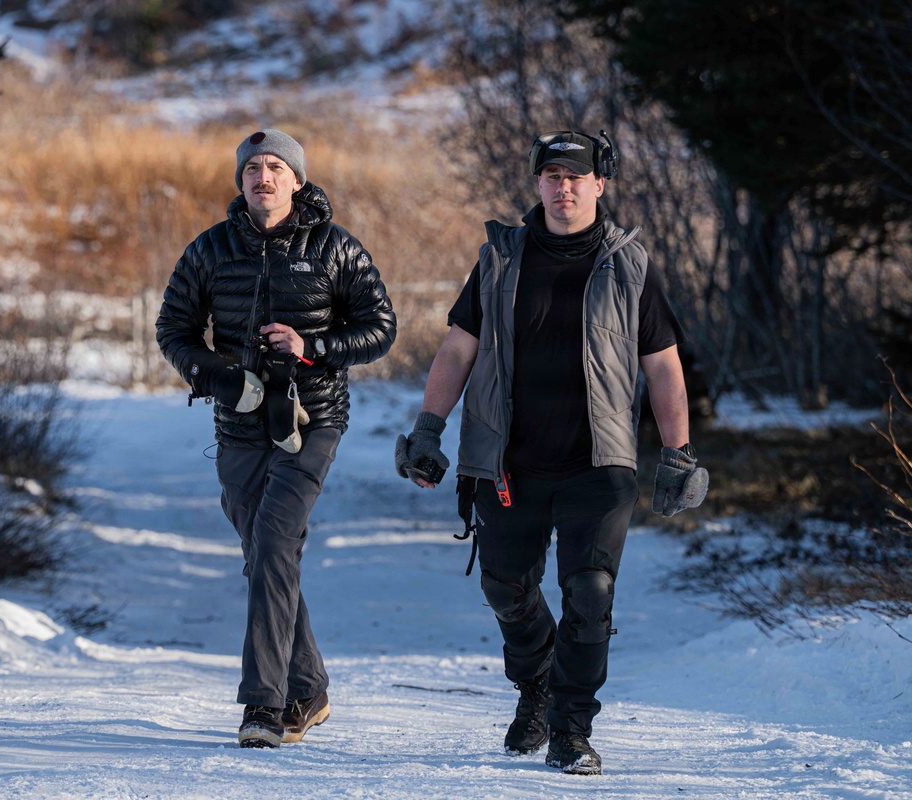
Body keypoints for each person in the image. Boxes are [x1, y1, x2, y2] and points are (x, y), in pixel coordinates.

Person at [395, 129, 708, 775]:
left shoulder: (629, 266)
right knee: (506, 587)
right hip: (509, 461)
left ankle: (571, 729)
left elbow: (662, 364)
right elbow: (457, 349)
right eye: (553, 176)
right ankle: (535, 685)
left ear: (599, 184)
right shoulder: (499, 259)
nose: (564, 188)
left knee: (589, 592)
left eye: (576, 177)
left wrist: (678, 453)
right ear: (538, 184)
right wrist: (428, 428)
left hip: (599, 463)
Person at [157, 128, 396, 748]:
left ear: (297, 180)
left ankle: (264, 705)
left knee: (272, 545)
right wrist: (217, 377)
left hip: (311, 421)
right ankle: (309, 689)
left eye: (274, 168)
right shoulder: (211, 248)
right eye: (252, 169)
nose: (262, 177)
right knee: (267, 556)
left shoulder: (335, 247)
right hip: (238, 425)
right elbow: (173, 330)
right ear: (240, 181)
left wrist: (311, 346)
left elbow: (380, 328)